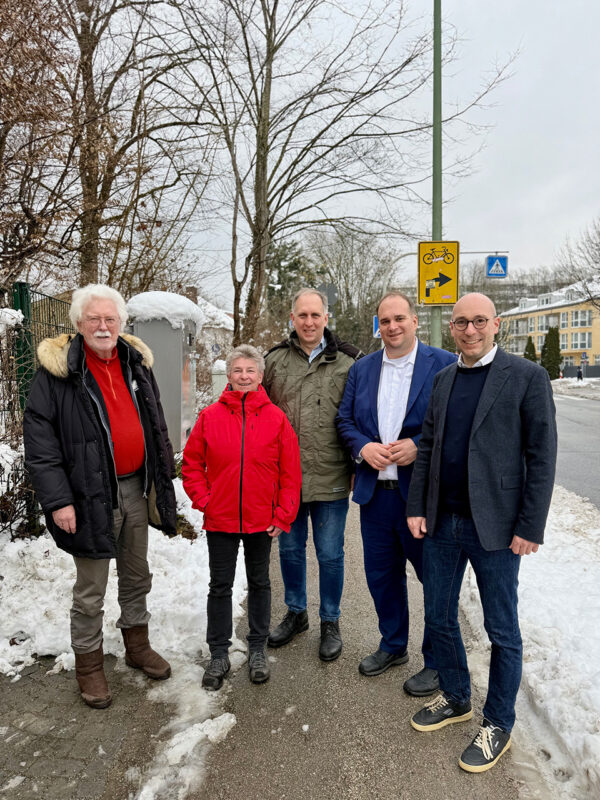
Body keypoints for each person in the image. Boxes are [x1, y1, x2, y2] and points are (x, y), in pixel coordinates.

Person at [406, 292, 557, 773]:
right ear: (451, 328)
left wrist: (530, 525)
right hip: (443, 523)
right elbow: (427, 447)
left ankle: (498, 722)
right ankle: (455, 695)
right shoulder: (444, 378)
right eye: (460, 323)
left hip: (497, 526)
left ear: (496, 324)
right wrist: (417, 506)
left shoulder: (527, 377)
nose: (469, 330)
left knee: (501, 630)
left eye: (478, 322)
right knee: (439, 614)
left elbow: (542, 454)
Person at [23, 284, 176, 709]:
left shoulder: (135, 365)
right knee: (91, 587)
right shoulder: (57, 373)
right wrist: (58, 501)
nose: (103, 326)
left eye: (110, 319)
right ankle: (89, 666)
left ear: (122, 323)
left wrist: (162, 479)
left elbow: (157, 427)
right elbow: (40, 446)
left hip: (134, 488)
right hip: (88, 494)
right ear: (78, 324)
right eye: (95, 319)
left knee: (135, 574)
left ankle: (137, 644)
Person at [336, 292, 456, 695]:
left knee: (434, 581)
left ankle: (437, 661)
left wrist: (419, 446)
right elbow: (345, 420)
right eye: (385, 321)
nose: (392, 327)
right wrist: (361, 447)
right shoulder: (363, 368)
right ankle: (393, 645)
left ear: (415, 320)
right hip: (376, 496)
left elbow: (455, 425)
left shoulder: (442, 364)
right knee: (382, 578)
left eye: (399, 318)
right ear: (378, 325)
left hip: (421, 496)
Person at [182, 345, 301, 690]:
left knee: (260, 583)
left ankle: (258, 648)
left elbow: (290, 472)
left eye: (251, 371)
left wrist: (283, 513)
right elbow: (191, 465)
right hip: (221, 519)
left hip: (261, 520)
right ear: (228, 375)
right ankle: (218, 652)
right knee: (220, 585)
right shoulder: (210, 417)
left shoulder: (276, 419)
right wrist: (206, 499)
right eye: (238, 370)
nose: (244, 376)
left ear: (260, 377)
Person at [263, 288, 362, 661]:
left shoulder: (349, 363)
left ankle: (330, 621)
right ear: (292, 319)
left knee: (330, 553)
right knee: (289, 550)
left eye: (315, 315)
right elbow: (257, 414)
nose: (308, 322)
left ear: (325, 318)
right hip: (284, 480)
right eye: (302, 315)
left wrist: (358, 466)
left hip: (332, 475)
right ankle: (296, 612)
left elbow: (359, 418)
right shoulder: (273, 362)